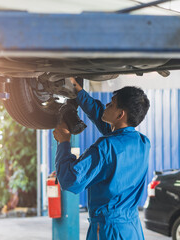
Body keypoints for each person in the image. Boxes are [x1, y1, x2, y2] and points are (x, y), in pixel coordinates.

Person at [53, 78, 150, 240]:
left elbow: (70, 180)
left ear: (120, 114)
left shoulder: (106, 146)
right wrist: (79, 92)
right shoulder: (142, 142)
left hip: (108, 231)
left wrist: (64, 142)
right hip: (131, 229)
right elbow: (109, 126)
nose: (106, 105)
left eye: (111, 104)